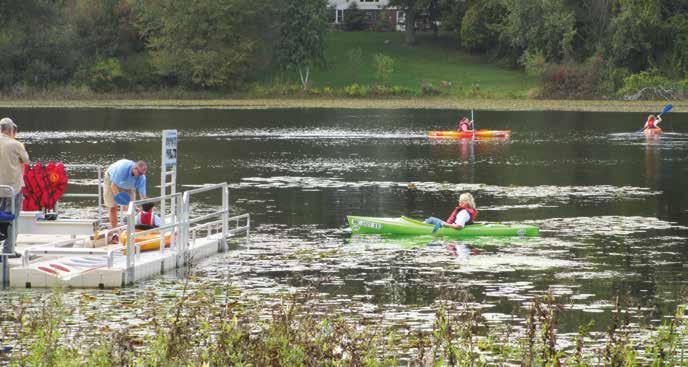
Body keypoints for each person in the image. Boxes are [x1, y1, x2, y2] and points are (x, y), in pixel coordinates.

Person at [0, 118, 30, 257]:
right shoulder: (16, 144)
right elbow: (26, 160)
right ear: (11, 130)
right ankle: (8, 249)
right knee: (12, 219)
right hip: (12, 189)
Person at [104, 159, 148, 229]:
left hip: (128, 184)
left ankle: (132, 229)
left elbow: (143, 196)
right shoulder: (122, 169)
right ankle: (114, 230)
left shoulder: (142, 177)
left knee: (131, 207)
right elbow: (113, 186)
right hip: (112, 180)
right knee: (113, 207)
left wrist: (146, 208)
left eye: (142, 174)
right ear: (134, 168)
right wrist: (124, 203)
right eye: (139, 173)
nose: (140, 176)